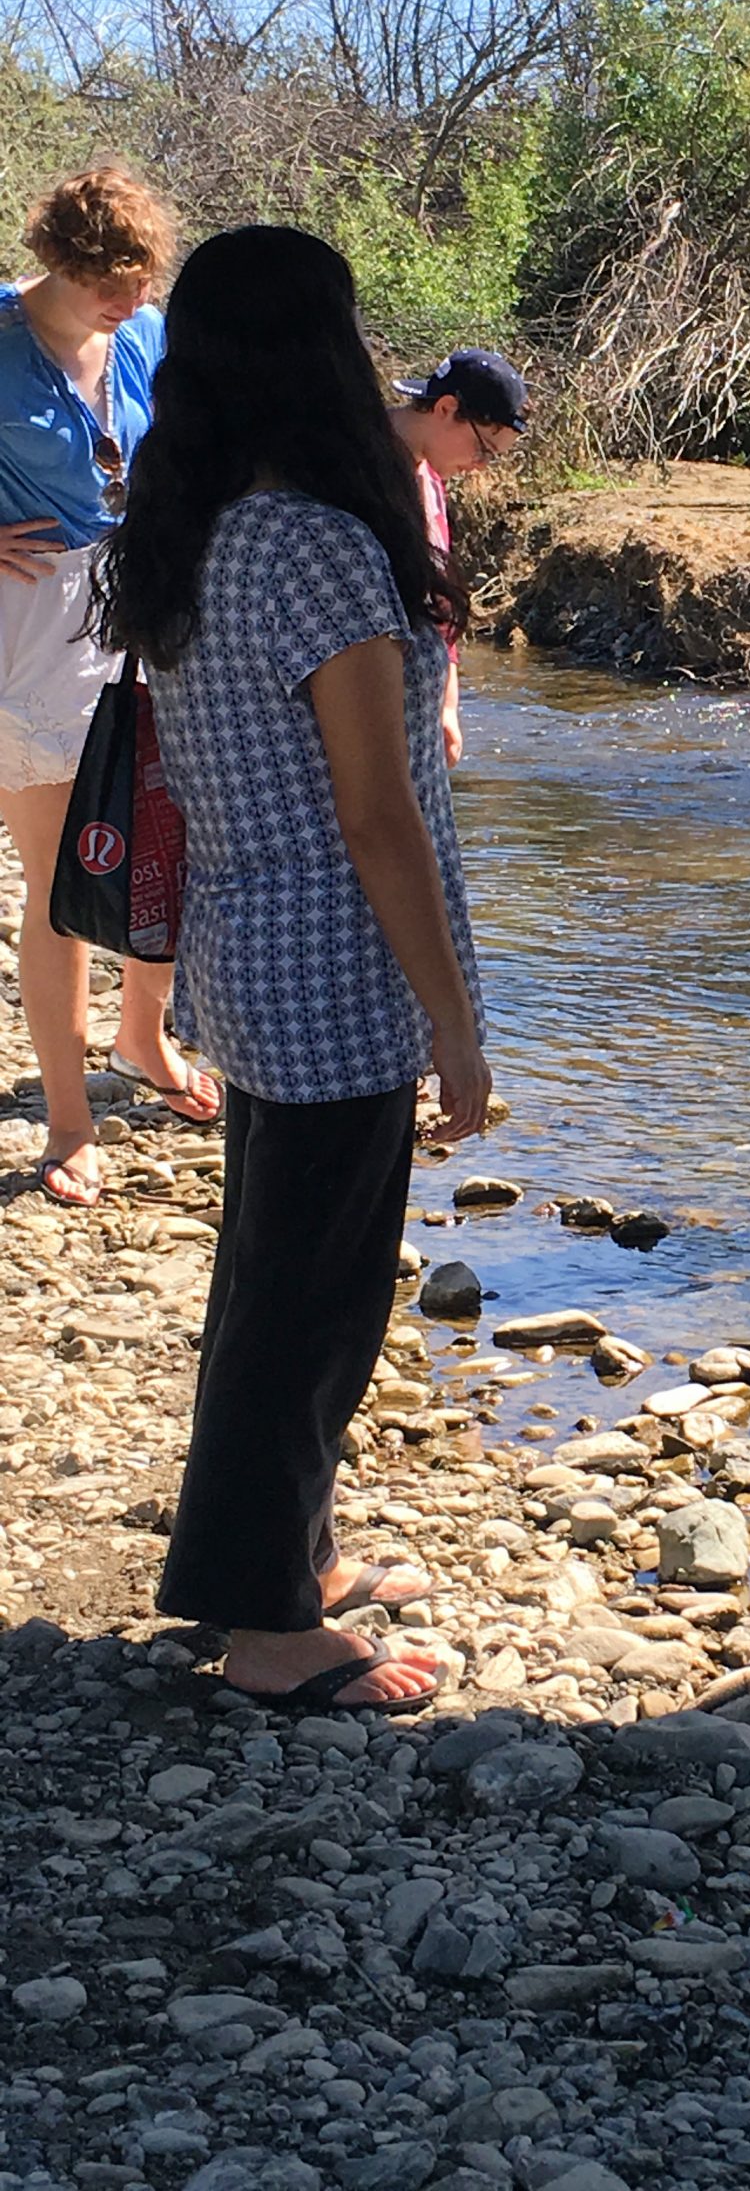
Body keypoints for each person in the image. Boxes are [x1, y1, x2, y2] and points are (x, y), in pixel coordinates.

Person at [95, 225, 489, 1715]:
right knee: (308, 1304)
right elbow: (379, 817)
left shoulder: (192, 528)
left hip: (240, 952)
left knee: (273, 1278)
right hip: (335, 966)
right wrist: (458, 1025)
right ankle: (264, 1624)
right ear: (319, 352)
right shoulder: (321, 541)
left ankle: (280, 1560)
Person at [0, 164, 222, 1204]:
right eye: (112, 287)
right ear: (59, 263)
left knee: (158, 843)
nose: (132, 305)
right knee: (57, 888)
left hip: (144, 610)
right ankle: (68, 1122)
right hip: (29, 631)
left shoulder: (147, 332)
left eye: (142, 282)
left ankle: (145, 1034)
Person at [390, 347, 529, 766]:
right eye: (483, 449)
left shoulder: (429, 478)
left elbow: (440, 603)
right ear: (446, 408)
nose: (481, 466)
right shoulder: (353, 466)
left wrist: (448, 704)